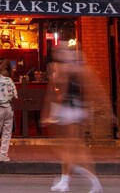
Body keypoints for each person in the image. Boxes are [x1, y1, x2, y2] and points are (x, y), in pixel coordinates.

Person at [42, 47, 103, 193]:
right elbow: (93, 90)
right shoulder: (80, 70)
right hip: (73, 109)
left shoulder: (66, 68)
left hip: (70, 111)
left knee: (72, 149)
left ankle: (91, 181)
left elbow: (56, 90)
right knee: (70, 148)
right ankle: (66, 180)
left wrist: (48, 113)